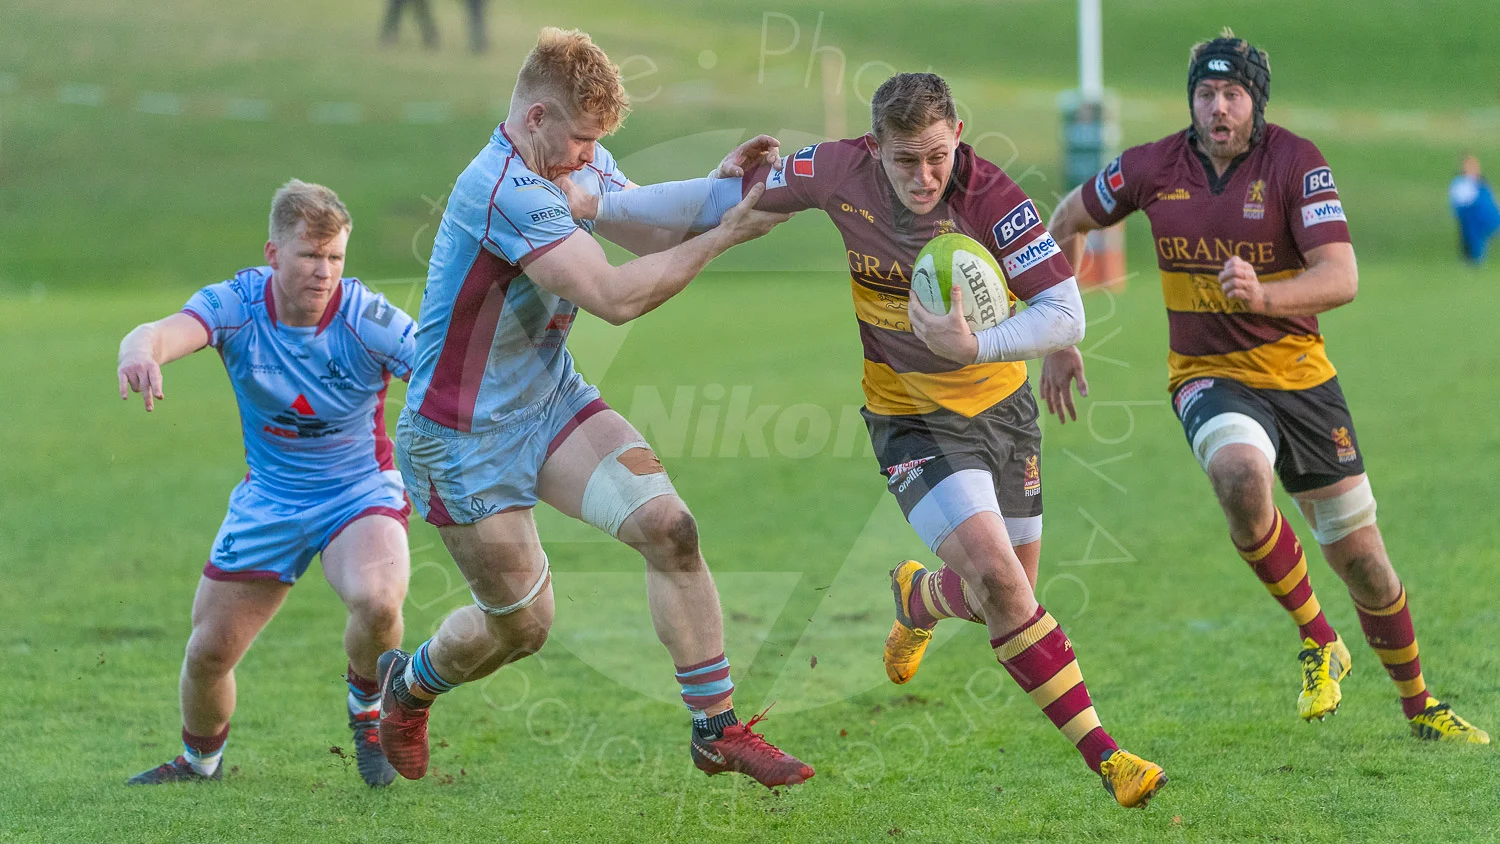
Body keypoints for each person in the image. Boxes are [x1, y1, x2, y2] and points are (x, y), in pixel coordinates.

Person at [566, 72, 1170, 809]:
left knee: (1004, 599)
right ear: (874, 147)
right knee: (1006, 585)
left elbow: (1066, 313)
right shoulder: (836, 170)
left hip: (1004, 413)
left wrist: (978, 344)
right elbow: (728, 199)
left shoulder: (991, 195)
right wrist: (597, 204)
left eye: (938, 157)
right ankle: (1109, 759)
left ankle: (919, 596)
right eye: (905, 160)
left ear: (958, 136)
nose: (924, 177)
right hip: (909, 417)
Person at [376, 27, 814, 790]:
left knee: (670, 528)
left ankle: (716, 729)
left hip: (549, 401)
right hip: (460, 439)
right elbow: (614, 297)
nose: (590, 154)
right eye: (580, 140)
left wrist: (726, 193)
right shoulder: (504, 190)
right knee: (523, 629)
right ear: (537, 117)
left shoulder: (570, 158)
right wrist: (728, 234)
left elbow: (634, 215)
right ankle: (409, 688)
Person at [1047, 30, 1488, 743]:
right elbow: (1064, 222)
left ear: (1256, 101)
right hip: (1208, 376)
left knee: (1365, 564)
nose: (1218, 108)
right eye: (1205, 93)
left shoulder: (1297, 162)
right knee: (1239, 475)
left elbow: (1341, 276)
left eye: (1232, 94)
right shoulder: (1150, 166)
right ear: (1190, 99)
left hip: (1301, 378)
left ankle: (1420, 706)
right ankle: (1319, 638)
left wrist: (1263, 294)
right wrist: (1059, 335)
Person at [119, 180, 419, 787]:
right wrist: (140, 352)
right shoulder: (237, 304)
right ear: (273, 253)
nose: (323, 270)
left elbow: (441, 374)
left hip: (358, 492)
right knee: (208, 653)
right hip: (271, 500)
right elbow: (161, 330)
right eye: (310, 255)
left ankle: (368, 712)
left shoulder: (368, 317)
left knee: (379, 600)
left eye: (334, 256)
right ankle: (199, 764)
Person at [1449, 154, 1500, 264]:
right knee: (1473, 236)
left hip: (1485, 216)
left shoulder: (1481, 183)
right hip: (1470, 216)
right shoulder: (1460, 183)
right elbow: (1458, 202)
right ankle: (1474, 258)